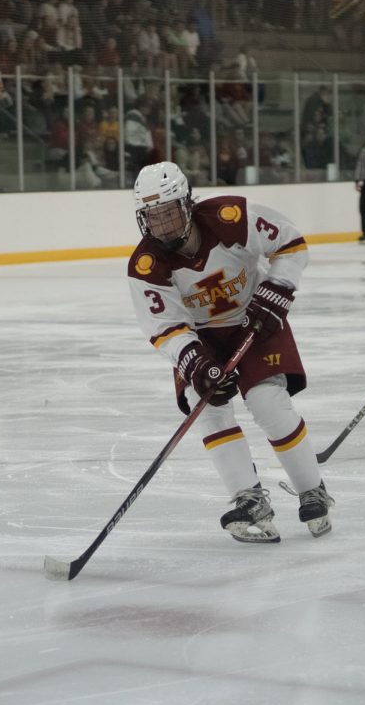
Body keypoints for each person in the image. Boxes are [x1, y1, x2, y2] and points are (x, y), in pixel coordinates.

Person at [127, 161, 334, 544]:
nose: (162, 226)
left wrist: (279, 287)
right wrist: (194, 360)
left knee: (268, 403)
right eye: (152, 218)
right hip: (200, 339)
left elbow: (290, 243)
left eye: (169, 213)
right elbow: (164, 327)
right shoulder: (146, 265)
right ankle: (248, 497)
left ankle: (312, 489)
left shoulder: (231, 216)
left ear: (187, 204)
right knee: (207, 406)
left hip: (254, 323)